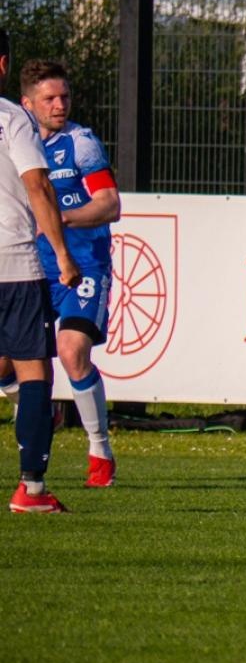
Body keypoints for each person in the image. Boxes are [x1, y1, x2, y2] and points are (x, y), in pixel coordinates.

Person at [0, 60, 121, 487]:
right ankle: (37, 407)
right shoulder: (14, 137)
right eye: (50, 98)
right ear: (27, 103)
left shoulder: (81, 143)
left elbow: (110, 203)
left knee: (71, 351)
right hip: (28, 269)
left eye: (64, 96)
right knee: (5, 368)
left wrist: (61, 217)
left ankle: (98, 448)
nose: (59, 105)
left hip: (82, 264)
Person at [0, 35, 82, 513]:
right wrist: (62, 254)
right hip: (12, 259)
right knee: (34, 372)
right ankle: (31, 490)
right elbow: (37, 185)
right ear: (5, 64)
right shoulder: (13, 119)